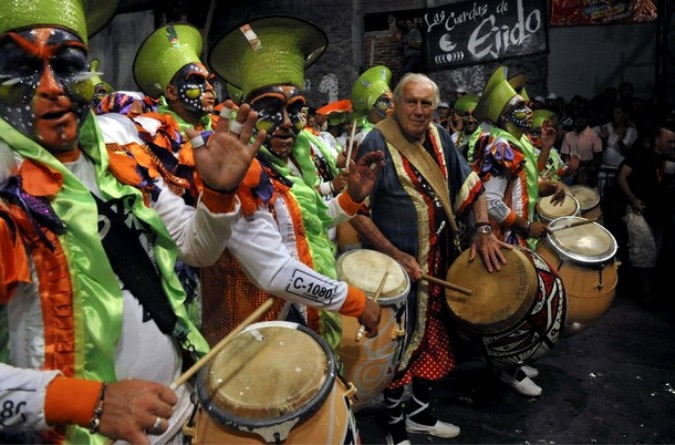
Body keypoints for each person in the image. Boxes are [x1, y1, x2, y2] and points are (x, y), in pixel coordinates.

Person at [0, 0, 264, 443]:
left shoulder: (121, 152)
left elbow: (195, 248)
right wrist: (87, 401)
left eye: (67, 66)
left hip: (176, 415)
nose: (51, 88)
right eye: (21, 69)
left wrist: (218, 194)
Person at [203, 16, 383, 351]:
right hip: (259, 333)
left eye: (295, 110)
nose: (287, 124)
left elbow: (312, 221)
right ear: (245, 115)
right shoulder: (236, 175)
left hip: (303, 315)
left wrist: (351, 198)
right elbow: (274, 271)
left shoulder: (288, 165)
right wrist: (353, 301)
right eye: (271, 110)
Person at [352, 73, 506, 445]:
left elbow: (473, 187)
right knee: (397, 348)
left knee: (437, 342)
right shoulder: (375, 141)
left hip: (441, 261)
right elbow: (356, 210)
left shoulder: (440, 138)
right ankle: (394, 427)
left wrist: (483, 229)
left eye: (426, 104)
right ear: (396, 104)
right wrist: (395, 254)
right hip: (397, 270)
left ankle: (419, 414)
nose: (419, 111)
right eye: (412, 102)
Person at [471, 67, 566, 398]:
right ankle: (506, 369)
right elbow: (491, 200)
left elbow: (520, 186)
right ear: (508, 115)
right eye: (522, 107)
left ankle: (514, 360)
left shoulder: (516, 142)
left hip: (519, 236)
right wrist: (524, 225)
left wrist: (547, 182)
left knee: (521, 305)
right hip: (504, 237)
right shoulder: (500, 145)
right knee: (508, 307)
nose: (531, 111)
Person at [616, 123, 675, 304]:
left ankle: (647, 287)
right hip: (638, 210)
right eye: (669, 141)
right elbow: (621, 178)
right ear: (658, 140)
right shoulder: (640, 155)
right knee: (644, 249)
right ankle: (645, 291)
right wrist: (633, 199)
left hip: (659, 212)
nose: (672, 145)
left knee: (655, 250)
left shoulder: (670, 161)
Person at [596, 103, 638, 200]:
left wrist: (620, 142)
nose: (615, 115)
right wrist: (605, 139)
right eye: (614, 113)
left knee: (616, 199)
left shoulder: (631, 131)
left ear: (625, 115)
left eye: (618, 113)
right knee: (601, 198)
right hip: (604, 168)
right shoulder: (607, 127)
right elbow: (600, 150)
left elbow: (628, 153)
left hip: (620, 171)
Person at [560, 108, 603, 187]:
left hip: (587, 172)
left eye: (582, 118)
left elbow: (598, 160)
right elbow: (564, 155)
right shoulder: (568, 135)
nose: (579, 120)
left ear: (587, 120)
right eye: (577, 118)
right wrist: (569, 163)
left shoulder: (594, 136)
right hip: (570, 170)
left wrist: (579, 163)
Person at [450, 94, 480, 159]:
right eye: (467, 115)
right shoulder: (455, 137)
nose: (470, 118)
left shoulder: (484, 138)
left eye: (473, 115)